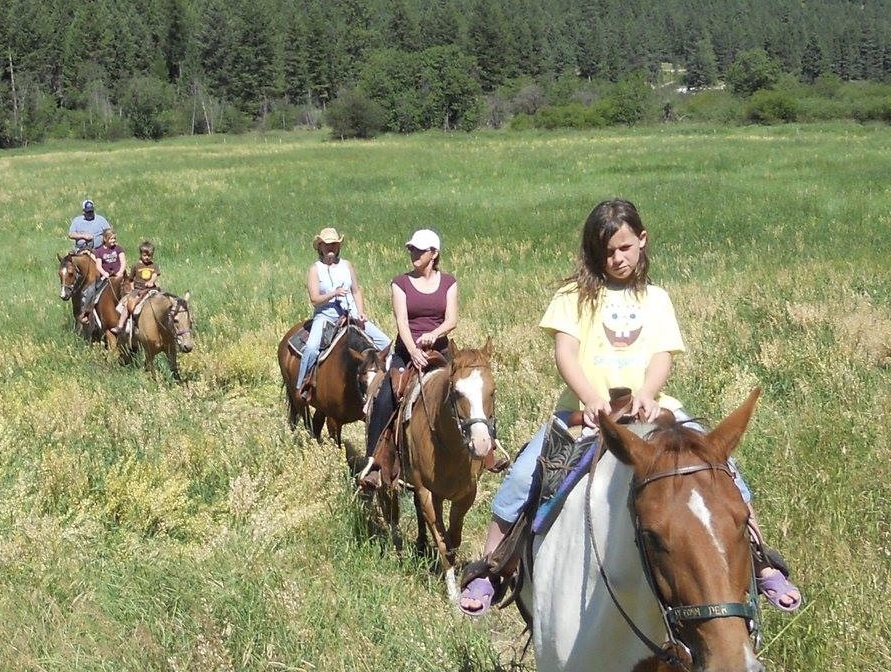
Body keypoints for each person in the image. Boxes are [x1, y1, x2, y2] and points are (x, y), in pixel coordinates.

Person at [457, 198, 802, 616]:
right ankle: (491, 566)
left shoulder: (656, 299)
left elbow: (662, 355)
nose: (617, 258)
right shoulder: (574, 296)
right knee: (524, 475)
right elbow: (565, 352)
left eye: (624, 248)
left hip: (649, 409)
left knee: (720, 467)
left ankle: (760, 558)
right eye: (606, 251)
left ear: (642, 241)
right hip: (585, 414)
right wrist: (590, 397)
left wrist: (648, 393)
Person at [356, 228, 458, 490]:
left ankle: (484, 451)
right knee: (385, 399)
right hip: (406, 352)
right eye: (411, 249)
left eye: (419, 250)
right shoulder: (400, 283)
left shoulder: (448, 282)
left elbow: (451, 320)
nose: (413, 253)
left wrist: (433, 335)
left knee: (466, 392)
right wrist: (413, 350)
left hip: (439, 351)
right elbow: (402, 320)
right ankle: (374, 462)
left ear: (433, 254)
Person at [296, 227, 391, 395]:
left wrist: (361, 312)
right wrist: (334, 293)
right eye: (326, 245)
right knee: (311, 349)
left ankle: (388, 383)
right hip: (326, 316)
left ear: (338, 247)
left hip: (351, 314)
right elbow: (314, 299)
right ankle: (302, 386)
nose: (330, 248)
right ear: (320, 247)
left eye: (334, 244)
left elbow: (356, 290)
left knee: (385, 343)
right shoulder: (315, 269)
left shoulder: (346, 265)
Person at [114, 239, 162, 340]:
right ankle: (121, 325)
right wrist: (132, 289)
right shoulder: (136, 266)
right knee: (129, 304)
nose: (147, 258)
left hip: (151, 289)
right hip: (138, 289)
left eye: (149, 256)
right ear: (140, 254)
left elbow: (154, 275)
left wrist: (151, 281)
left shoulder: (154, 266)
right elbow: (131, 279)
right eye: (145, 255)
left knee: (161, 301)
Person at [79, 227, 126, 324]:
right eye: (111, 238)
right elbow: (98, 265)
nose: (113, 241)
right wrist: (104, 273)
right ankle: (86, 312)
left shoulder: (119, 249)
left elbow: (123, 262)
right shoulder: (99, 251)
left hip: (119, 276)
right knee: (91, 289)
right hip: (106, 277)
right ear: (105, 239)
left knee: (129, 288)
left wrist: (120, 272)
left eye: (114, 238)